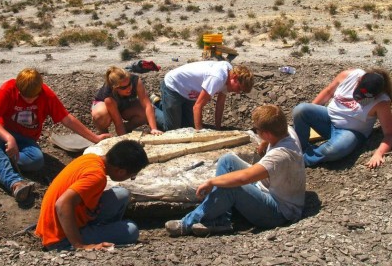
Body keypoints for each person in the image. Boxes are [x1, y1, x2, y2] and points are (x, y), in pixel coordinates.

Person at [165, 105, 306, 237]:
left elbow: (243, 178)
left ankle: (187, 223)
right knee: (227, 160)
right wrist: (265, 142)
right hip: (269, 188)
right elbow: (274, 130)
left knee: (230, 186)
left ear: (267, 133)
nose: (255, 132)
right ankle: (222, 219)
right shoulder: (285, 131)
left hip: (279, 212)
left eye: (257, 130)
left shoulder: (280, 155)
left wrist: (212, 182)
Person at [0, 68, 111, 203]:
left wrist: (94, 138)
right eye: (25, 97)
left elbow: (67, 119)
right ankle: (14, 183)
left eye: (33, 97)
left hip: (26, 140)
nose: (29, 101)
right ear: (18, 89)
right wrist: (9, 138)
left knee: (36, 160)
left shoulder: (46, 95)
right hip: (1, 133)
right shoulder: (8, 88)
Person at [35, 140, 148, 251]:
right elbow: (62, 204)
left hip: (63, 222)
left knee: (122, 194)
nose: (131, 178)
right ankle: (86, 237)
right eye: (132, 176)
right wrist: (80, 245)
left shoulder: (91, 158)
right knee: (132, 230)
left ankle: (100, 230)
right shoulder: (97, 177)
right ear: (121, 171)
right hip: (59, 238)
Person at [293, 68, 392, 168]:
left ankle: (301, 160)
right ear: (358, 81)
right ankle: (298, 148)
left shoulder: (382, 102)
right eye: (359, 94)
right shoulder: (348, 76)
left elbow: (389, 134)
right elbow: (328, 92)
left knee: (333, 150)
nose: (360, 99)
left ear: (377, 95)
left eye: (365, 98)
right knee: (301, 109)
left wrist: (379, 153)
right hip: (328, 118)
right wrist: (311, 110)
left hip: (350, 132)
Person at [154, 61, 254, 131]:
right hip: (174, 86)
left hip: (189, 93)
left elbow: (220, 105)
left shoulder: (229, 76)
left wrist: (217, 128)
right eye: (239, 88)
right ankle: (150, 110)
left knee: (188, 126)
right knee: (173, 130)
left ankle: (159, 103)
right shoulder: (218, 78)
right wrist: (200, 133)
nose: (238, 92)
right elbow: (197, 107)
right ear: (235, 78)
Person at [91, 66, 162, 136]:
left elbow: (147, 105)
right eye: (124, 87)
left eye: (129, 84)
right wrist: (123, 140)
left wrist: (154, 129)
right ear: (115, 88)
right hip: (106, 106)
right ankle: (105, 134)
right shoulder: (108, 95)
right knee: (100, 115)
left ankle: (127, 128)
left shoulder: (135, 81)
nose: (129, 89)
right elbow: (118, 122)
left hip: (124, 103)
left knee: (146, 112)